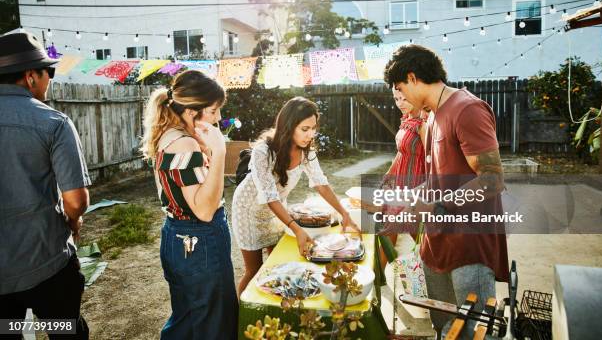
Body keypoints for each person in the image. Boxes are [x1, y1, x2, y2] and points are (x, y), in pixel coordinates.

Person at [384, 44, 509, 339]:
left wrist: (440, 205)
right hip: (436, 242)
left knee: (473, 332)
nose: (401, 97)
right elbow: (441, 177)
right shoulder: (435, 116)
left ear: (413, 78)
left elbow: (492, 179)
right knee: (444, 328)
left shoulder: (467, 109)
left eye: (401, 88)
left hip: (468, 245)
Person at [0, 32, 90, 338]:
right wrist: (73, 222)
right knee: (63, 331)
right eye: (46, 72)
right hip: (47, 265)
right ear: (30, 77)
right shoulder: (53, 122)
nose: (48, 80)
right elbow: (75, 201)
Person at [141, 70, 237, 339]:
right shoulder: (185, 145)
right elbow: (204, 211)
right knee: (215, 322)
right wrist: (219, 152)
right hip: (199, 240)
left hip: (175, 236)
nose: (218, 118)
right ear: (193, 111)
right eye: (214, 110)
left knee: (186, 320)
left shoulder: (170, 136)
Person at [232, 97, 360, 296]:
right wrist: (297, 229)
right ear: (289, 126)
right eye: (304, 129)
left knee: (277, 266)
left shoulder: (307, 152)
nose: (311, 134)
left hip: (278, 211)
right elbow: (269, 196)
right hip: (248, 211)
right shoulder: (263, 151)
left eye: (313, 128)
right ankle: (239, 319)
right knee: (254, 271)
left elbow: (321, 184)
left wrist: (344, 213)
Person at [379, 88, 427, 269]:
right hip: (399, 184)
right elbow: (402, 152)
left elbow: (431, 158)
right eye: (396, 99)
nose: (400, 103)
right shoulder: (406, 119)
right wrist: (389, 173)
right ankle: (378, 277)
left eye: (404, 99)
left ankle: (433, 274)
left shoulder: (424, 123)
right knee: (388, 231)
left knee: (420, 240)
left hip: (415, 186)